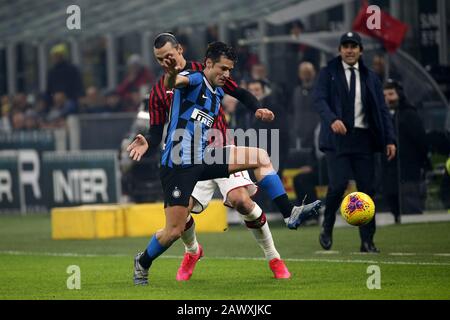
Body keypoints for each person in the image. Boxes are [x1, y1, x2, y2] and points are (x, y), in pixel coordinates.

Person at [128, 40, 321, 285]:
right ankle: (144, 261)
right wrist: (148, 140)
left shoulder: (216, 82)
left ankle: (289, 213)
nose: (227, 74)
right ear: (210, 64)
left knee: (260, 157)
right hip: (179, 162)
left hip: (210, 153)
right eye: (160, 58)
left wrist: (257, 109)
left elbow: (239, 92)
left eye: (169, 55)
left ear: (180, 50)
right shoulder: (190, 78)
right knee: (173, 231)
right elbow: (175, 83)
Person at [314, 32, 396, 253]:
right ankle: (327, 225)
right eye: (345, 46)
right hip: (337, 139)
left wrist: (389, 139)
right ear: (340, 50)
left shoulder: (370, 77)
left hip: (363, 139)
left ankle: (367, 241)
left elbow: (381, 110)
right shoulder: (328, 72)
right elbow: (319, 100)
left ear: (361, 50)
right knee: (338, 185)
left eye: (353, 46)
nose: (349, 50)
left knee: (367, 191)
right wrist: (332, 119)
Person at [382, 79, 429, 223]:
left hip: (408, 169)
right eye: (385, 95)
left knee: (411, 207)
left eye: (391, 94)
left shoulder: (409, 114)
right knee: (393, 203)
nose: (388, 99)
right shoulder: (383, 116)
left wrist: (422, 162)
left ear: (399, 95)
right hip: (390, 170)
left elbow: (421, 141)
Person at [290, 62, 319, 149]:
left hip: (316, 134)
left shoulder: (320, 91)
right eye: (303, 72)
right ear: (299, 74)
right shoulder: (296, 91)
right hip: (299, 134)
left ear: (314, 73)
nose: (306, 75)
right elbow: (292, 111)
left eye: (308, 72)